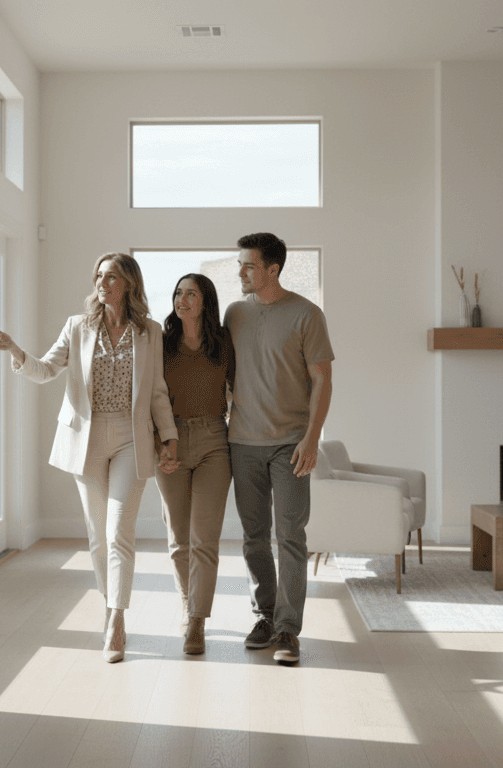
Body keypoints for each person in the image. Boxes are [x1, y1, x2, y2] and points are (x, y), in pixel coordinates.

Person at [0, 253, 178, 663]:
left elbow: (157, 390)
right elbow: (45, 370)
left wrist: (169, 437)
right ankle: (109, 603)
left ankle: (117, 619)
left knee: (119, 531)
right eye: (99, 276)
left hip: (131, 436)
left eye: (112, 277)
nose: (102, 283)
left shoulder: (150, 332)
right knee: (98, 535)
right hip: (86, 438)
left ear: (129, 284)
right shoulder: (78, 326)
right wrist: (15, 350)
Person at [224, 232, 334, 666]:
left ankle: (288, 628)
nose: (240, 272)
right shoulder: (234, 313)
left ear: (272, 269)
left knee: (290, 536)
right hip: (242, 442)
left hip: (291, 444)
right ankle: (264, 616)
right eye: (240, 265)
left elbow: (323, 379)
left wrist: (312, 438)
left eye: (248, 266)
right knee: (254, 537)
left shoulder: (307, 314)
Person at [155, 274, 235, 656]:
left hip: (214, 441)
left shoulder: (223, 342)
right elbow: (150, 397)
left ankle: (197, 621)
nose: (182, 299)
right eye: (178, 293)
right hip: (169, 442)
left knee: (205, 538)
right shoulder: (162, 343)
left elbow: (242, 389)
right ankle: (189, 607)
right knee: (179, 538)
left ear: (206, 302)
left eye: (191, 294)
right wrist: (159, 444)